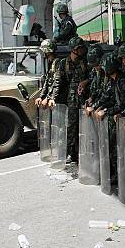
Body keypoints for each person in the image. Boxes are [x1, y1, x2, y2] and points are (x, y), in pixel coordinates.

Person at [50, 36, 88, 164]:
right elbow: (58, 82)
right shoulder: (63, 64)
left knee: (85, 128)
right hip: (71, 102)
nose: (83, 50)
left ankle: (84, 153)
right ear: (74, 49)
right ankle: (70, 153)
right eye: (80, 48)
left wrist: (86, 82)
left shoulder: (85, 62)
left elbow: (93, 77)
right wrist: (53, 99)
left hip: (84, 101)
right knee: (71, 128)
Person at [36, 39, 59, 108]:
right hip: (51, 97)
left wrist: (48, 98)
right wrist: (41, 96)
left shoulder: (57, 63)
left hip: (56, 98)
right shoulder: (50, 63)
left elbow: (56, 82)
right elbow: (47, 80)